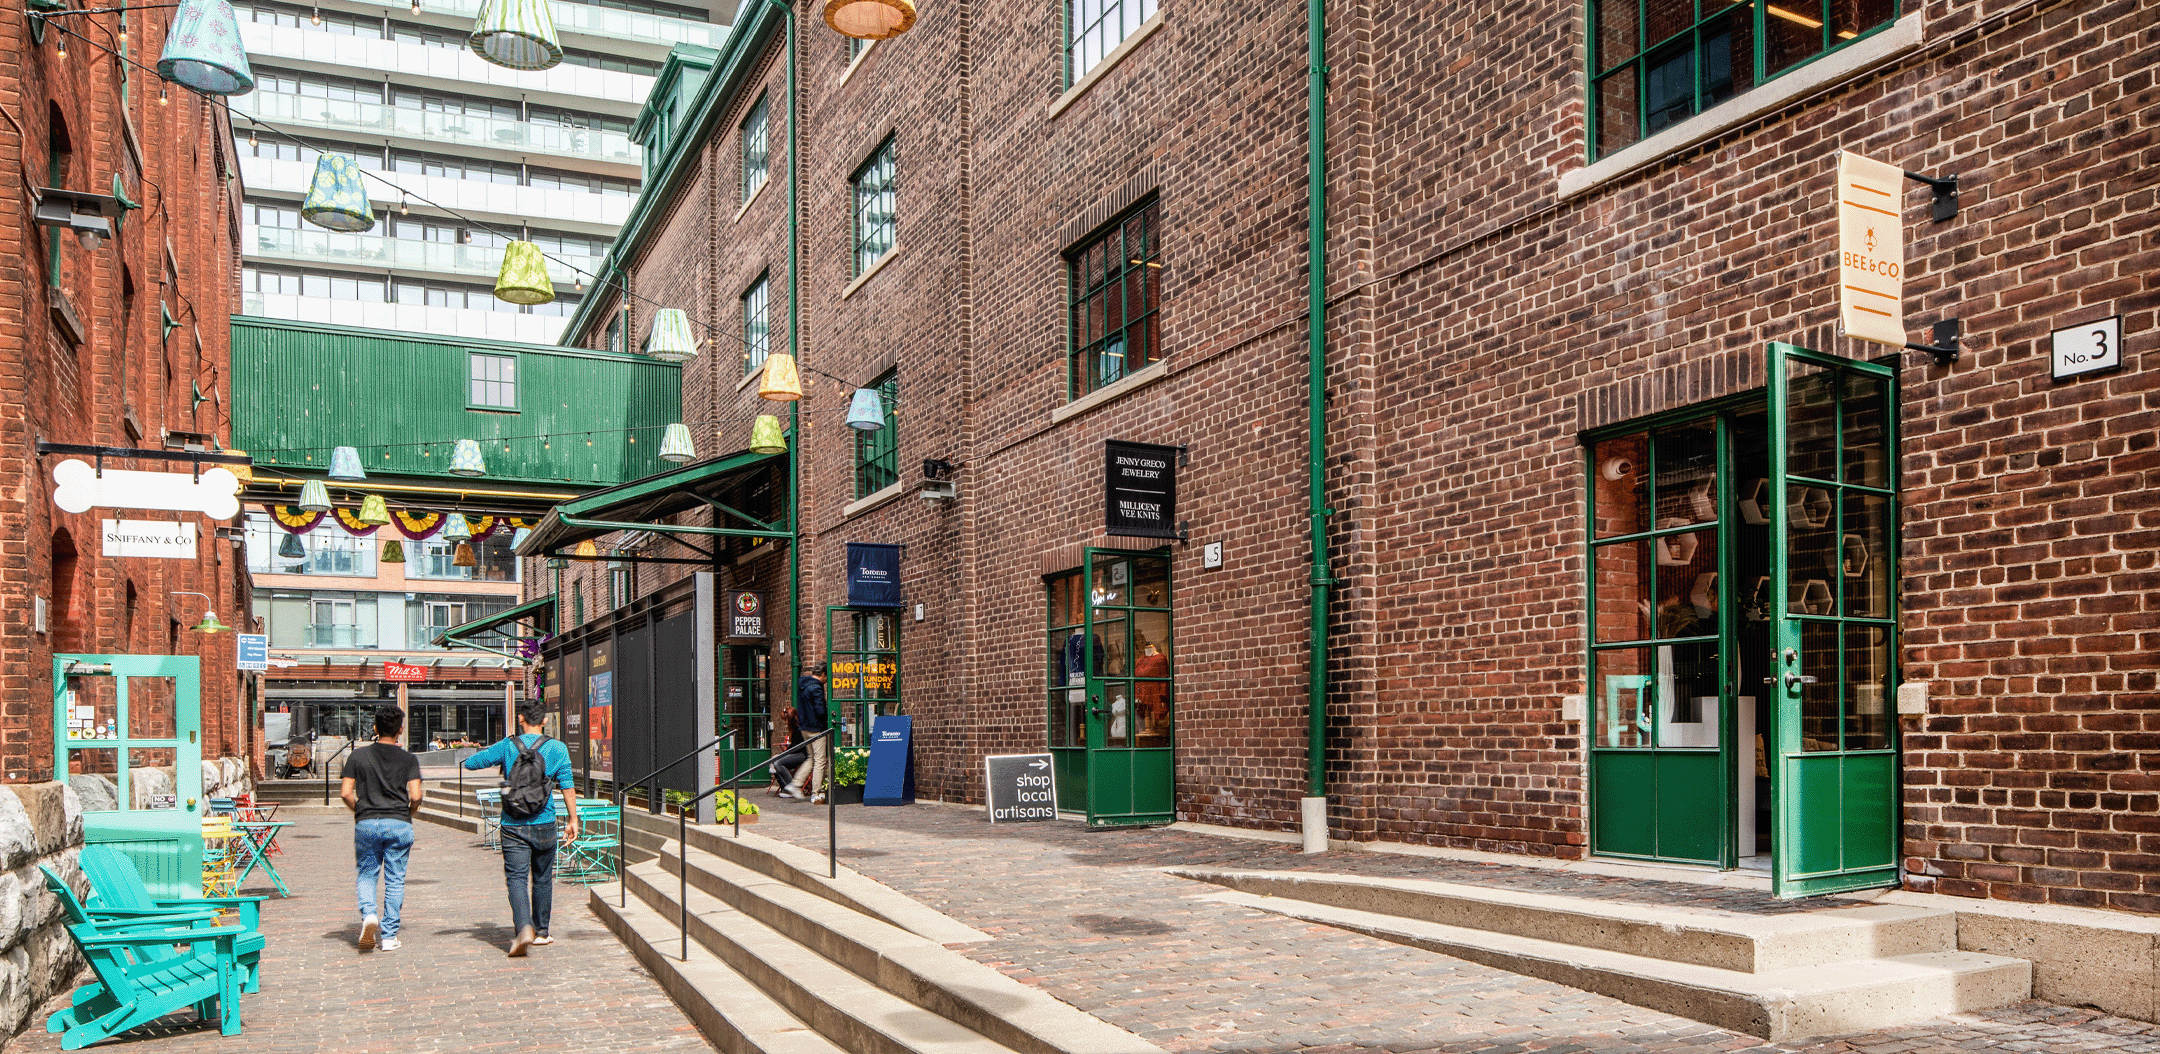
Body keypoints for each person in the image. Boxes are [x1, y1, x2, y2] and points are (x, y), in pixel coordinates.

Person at [461, 702, 579, 957]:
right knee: (543, 877)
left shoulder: (508, 745)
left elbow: (471, 763)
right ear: (545, 721)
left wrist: (499, 756)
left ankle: (523, 927)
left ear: (520, 718)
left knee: (516, 878)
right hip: (545, 822)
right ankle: (542, 932)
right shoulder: (557, 748)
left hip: (513, 824)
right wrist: (573, 820)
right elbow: (567, 786)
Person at [340, 704, 422, 953]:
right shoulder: (408, 759)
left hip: (366, 821)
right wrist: (407, 813)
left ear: (374, 728)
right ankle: (389, 936)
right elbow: (416, 796)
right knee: (395, 879)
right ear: (401, 729)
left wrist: (361, 811)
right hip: (398, 821)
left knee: (367, 873)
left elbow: (345, 793)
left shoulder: (358, 756)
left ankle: (369, 915)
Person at [782, 668, 828, 803]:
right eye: (827, 677)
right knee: (820, 760)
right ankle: (816, 793)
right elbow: (820, 710)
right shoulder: (817, 688)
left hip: (804, 728)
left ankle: (795, 784)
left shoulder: (802, 685)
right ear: (823, 674)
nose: (826, 681)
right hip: (816, 728)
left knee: (811, 758)